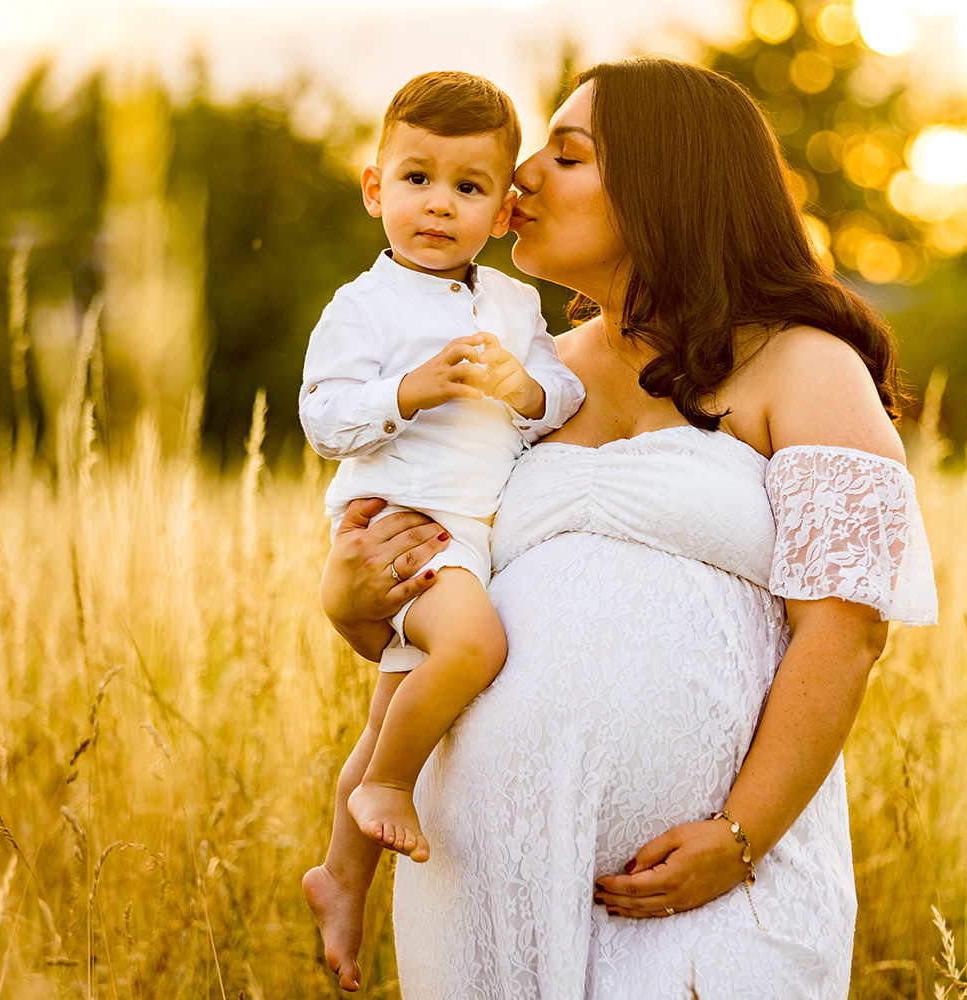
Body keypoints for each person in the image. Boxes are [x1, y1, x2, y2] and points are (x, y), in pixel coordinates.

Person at [318, 56, 937, 998]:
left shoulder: (804, 367)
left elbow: (847, 631)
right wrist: (354, 604)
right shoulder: (518, 377)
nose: (521, 178)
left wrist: (743, 837)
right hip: (486, 890)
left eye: (564, 156)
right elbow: (424, 606)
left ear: (666, 188)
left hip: (712, 887)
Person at [298, 71, 583, 990]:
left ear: (503, 210)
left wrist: (527, 391)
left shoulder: (513, 308)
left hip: (472, 529)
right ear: (376, 187)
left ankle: (341, 879)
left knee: (386, 715)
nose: (438, 204)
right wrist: (405, 392)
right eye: (417, 178)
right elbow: (323, 417)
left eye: (468, 188)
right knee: (474, 645)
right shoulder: (363, 307)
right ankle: (388, 788)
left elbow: (561, 396)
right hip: (403, 526)